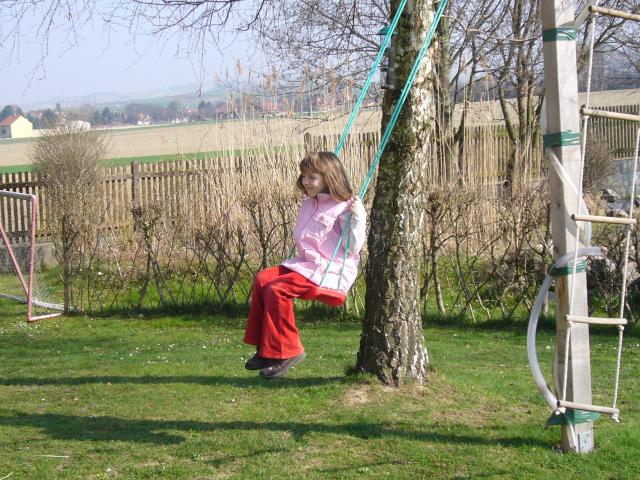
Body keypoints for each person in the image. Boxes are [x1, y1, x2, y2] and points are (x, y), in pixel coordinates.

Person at [243, 151, 367, 379]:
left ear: (328, 178)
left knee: (277, 289)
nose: (305, 181)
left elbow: (352, 248)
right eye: (304, 175)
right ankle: (266, 349)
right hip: (306, 264)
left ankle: (288, 351)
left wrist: (358, 217)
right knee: (262, 279)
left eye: (312, 177)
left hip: (328, 270)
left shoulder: (344, 207)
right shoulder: (310, 203)